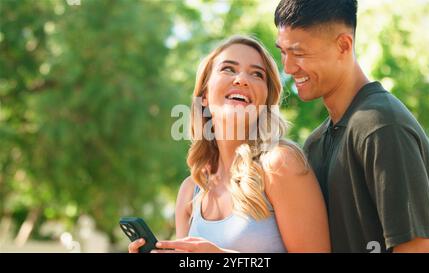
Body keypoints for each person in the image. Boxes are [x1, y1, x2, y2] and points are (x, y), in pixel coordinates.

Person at [129, 35, 330, 253]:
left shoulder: (279, 164)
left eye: (256, 74)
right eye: (228, 69)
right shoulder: (190, 192)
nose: (242, 79)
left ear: (265, 101)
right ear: (204, 95)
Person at [274, 0, 429, 253]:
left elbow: (416, 249)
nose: (287, 67)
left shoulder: (382, 125)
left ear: (344, 45)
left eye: (299, 53)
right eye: (283, 52)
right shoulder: (315, 143)